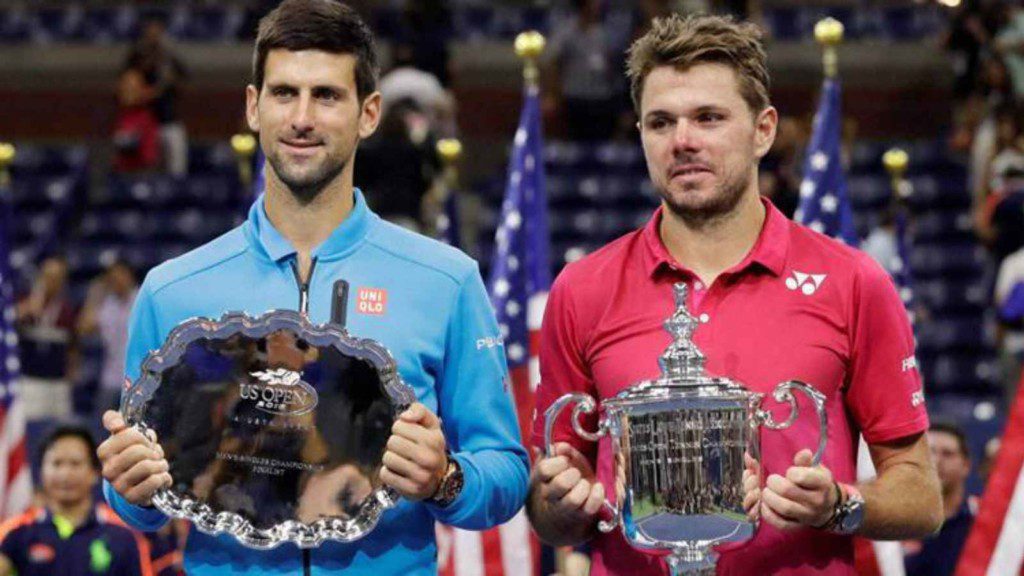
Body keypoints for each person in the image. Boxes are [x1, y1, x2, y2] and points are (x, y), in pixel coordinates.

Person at [96, 1, 528, 574]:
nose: (302, 118)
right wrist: (131, 487)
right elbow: (144, 500)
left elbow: (505, 471)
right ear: (254, 107)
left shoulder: (445, 280)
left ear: (368, 113)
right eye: (283, 93)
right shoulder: (171, 290)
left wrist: (445, 479)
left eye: (326, 95)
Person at [527, 14, 942, 576]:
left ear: (764, 130)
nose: (683, 142)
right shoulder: (581, 289)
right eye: (660, 122)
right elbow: (552, 509)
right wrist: (555, 504)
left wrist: (838, 506)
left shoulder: (852, 281)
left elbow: (921, 495)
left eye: (709, 118)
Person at [0, 425, 154, 576]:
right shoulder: (15, 532)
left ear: (95, 472)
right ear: (41, 471)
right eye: (57, 463)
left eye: (75, 463)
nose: (65, 474)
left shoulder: (123, 535)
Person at [903, 422, 976, 576]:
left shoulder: (982, 523)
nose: (937, 461)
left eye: (948, 454)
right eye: (930, 453)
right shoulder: (893, 521)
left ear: (966, 465)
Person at [77, 260, 138, 421]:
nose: (117, 280)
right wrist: (95, 294)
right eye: (112, 277)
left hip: (138, 378)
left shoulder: (140, 298)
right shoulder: (107, 303)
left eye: (120, 275)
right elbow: (84, 327)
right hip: (110, 378)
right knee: (102, 426)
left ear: (129, 276)